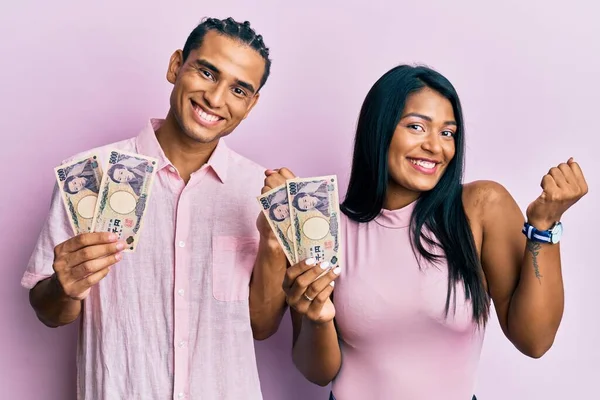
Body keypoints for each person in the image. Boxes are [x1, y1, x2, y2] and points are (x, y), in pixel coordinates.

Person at [268, 65, 588, 399]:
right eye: (417, 127)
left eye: (447, 133)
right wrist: (317, 318)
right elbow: (317, 374)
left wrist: (544, 228)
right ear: (379, 130)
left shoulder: (480, 207)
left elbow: (534, 340)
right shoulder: (324, 227)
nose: (436, 147)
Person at [22, 17, 289, 400]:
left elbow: (261, 327)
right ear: (175, 65)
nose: (216, 99)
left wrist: (272, 243)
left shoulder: (260, 192)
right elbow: (48, 311)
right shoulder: (90, 175)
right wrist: (63, 288)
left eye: (239, 89)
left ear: (251, 104)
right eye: (207, 72)